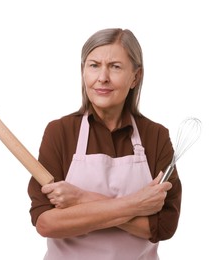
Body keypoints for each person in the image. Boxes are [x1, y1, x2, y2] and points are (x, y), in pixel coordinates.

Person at [27, 28, 182, 259]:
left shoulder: (156, 136)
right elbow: (46, 223)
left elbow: (162, 226)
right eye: (94, 65)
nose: (102, 77)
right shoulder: (59, 132)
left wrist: (80, 199)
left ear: (135, 77)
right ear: (83, 72)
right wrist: (136, 205)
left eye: (115, 67)